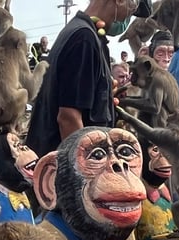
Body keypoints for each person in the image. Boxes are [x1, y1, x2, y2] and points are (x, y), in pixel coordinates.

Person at [26, 0, 144, 157]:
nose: (131, 13)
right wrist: (86, 173)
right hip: (62, 171)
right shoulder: (84, 39)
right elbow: (69, 118)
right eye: (133, 5)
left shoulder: (84, 33)